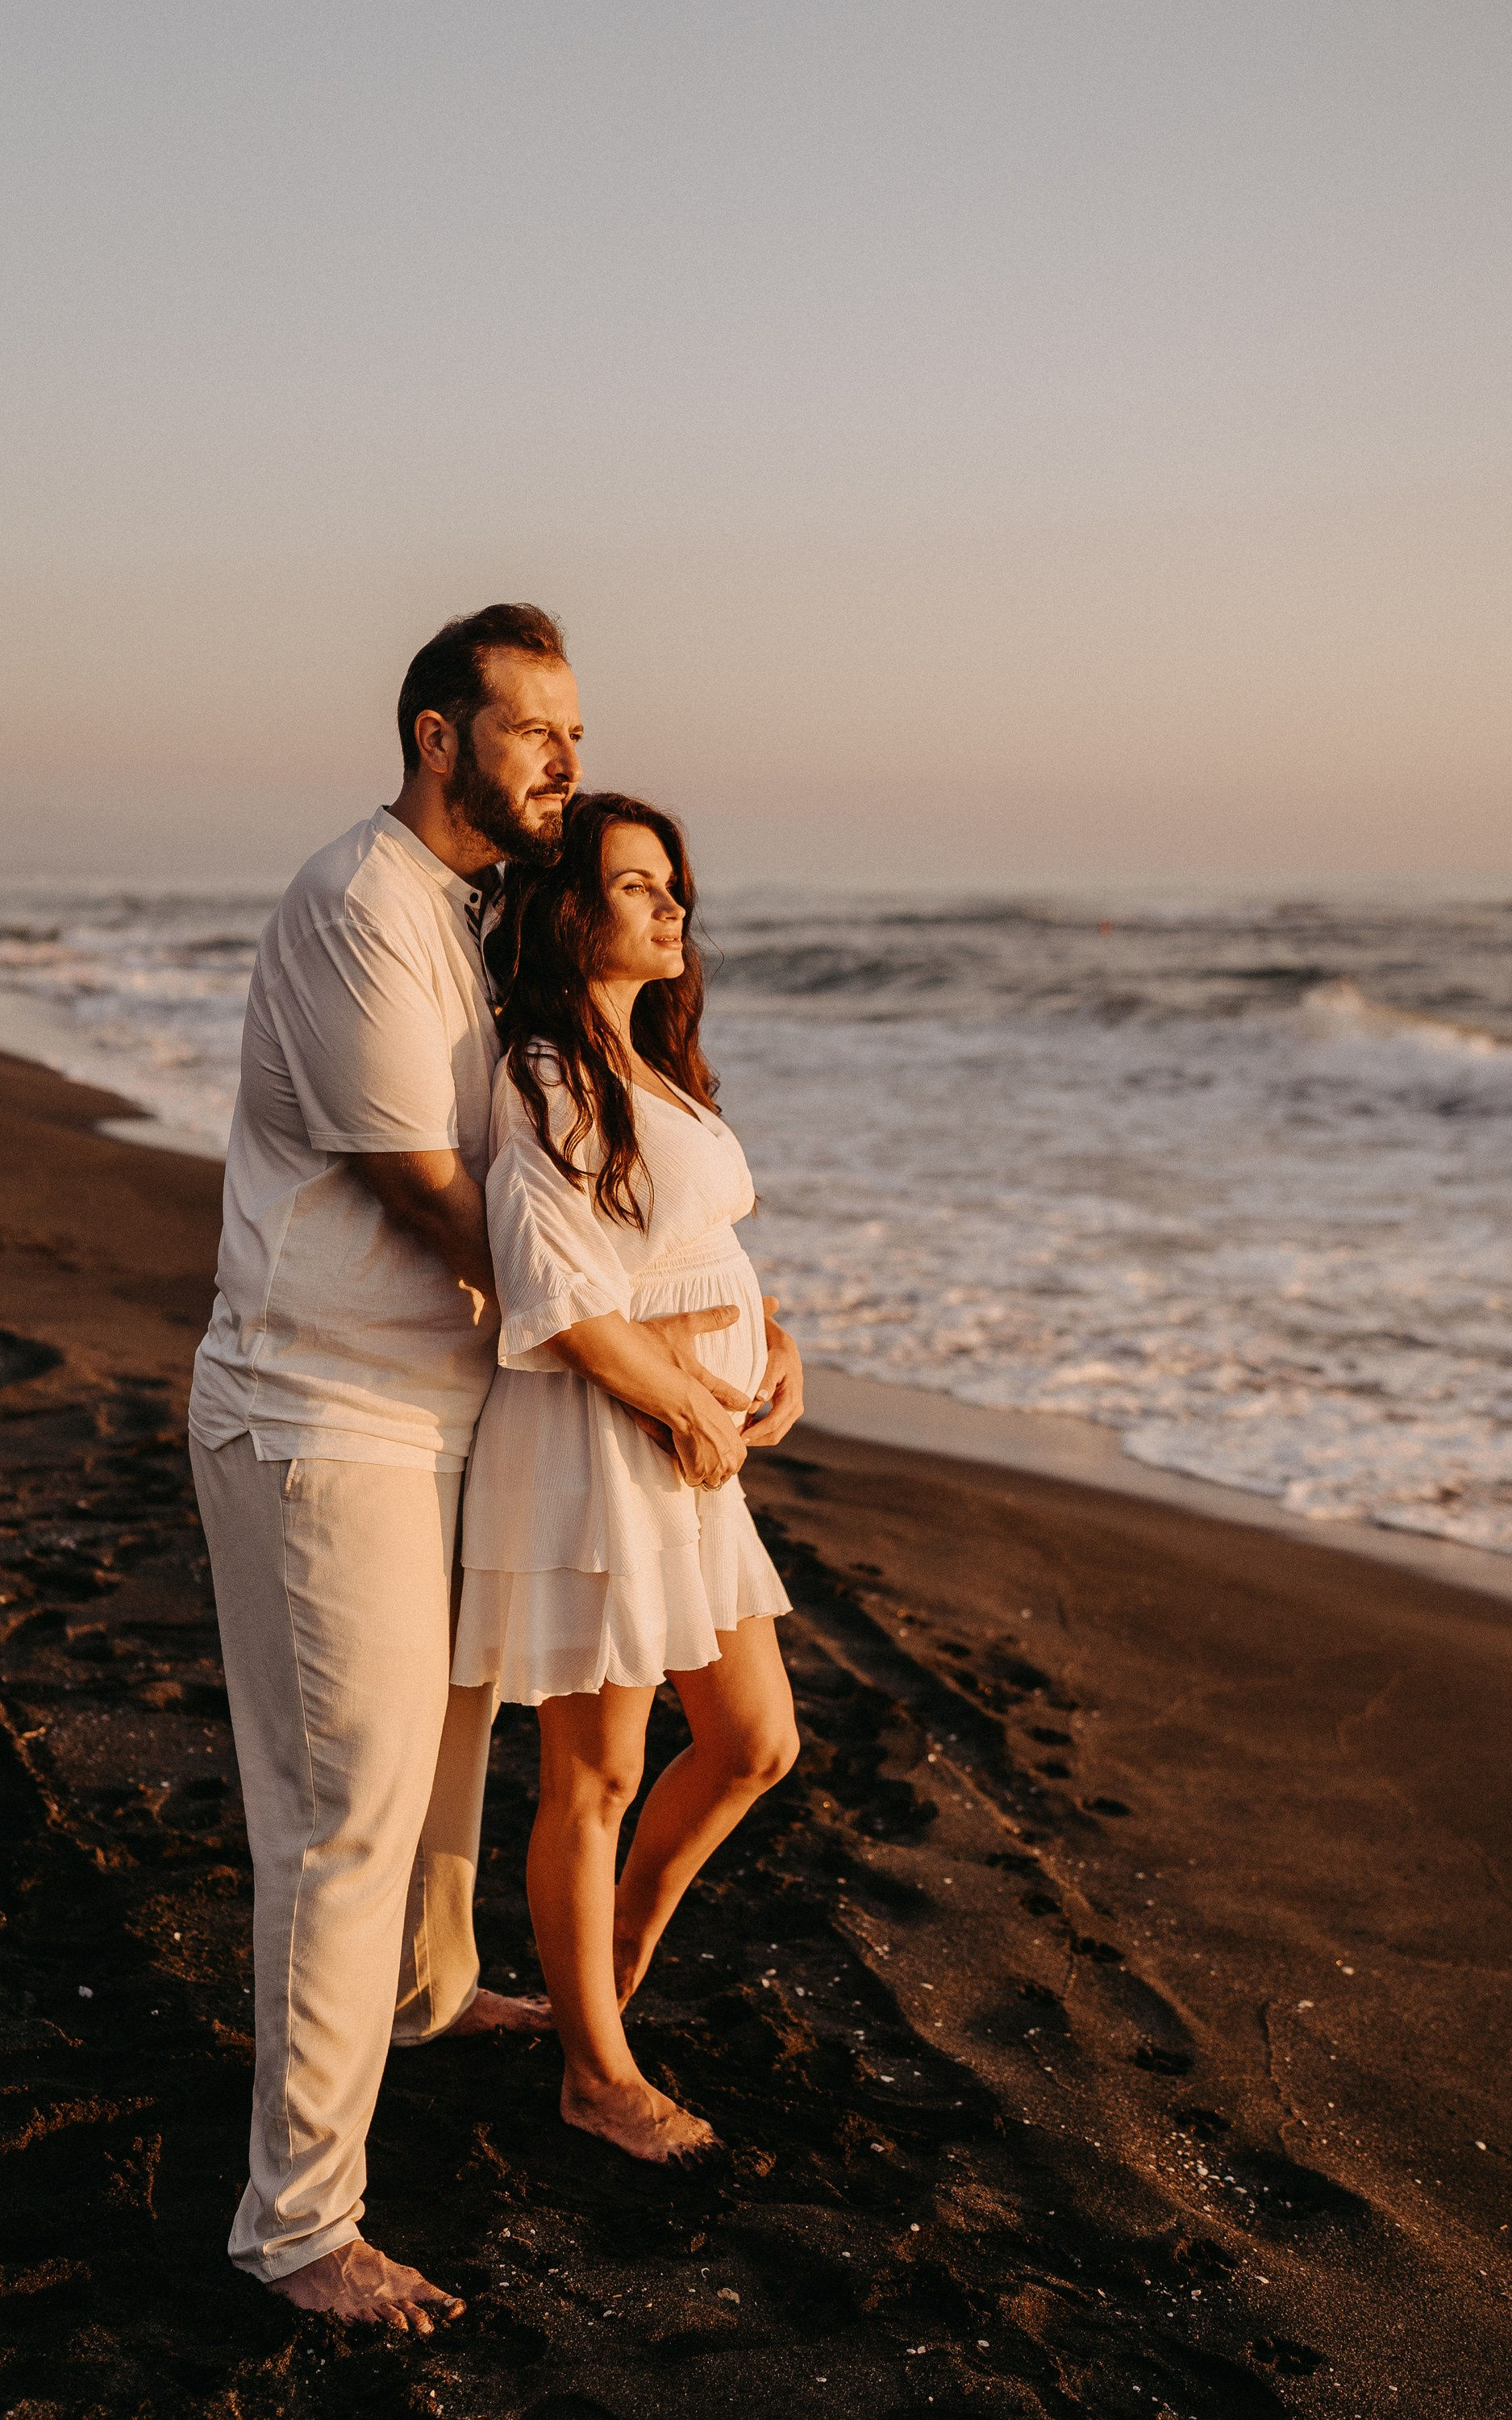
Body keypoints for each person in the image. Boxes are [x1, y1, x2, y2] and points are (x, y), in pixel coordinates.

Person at [188, 607, 805, 2328]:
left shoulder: (478, 921)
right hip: (326, 1411)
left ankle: (439, 1996)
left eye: (577, 735)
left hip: (457, 1411)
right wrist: (647, 1360)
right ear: (438, 735)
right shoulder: (360, 906)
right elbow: (442, 1193)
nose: (566, 760)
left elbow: (595, 1176)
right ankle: (299, 2224)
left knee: (450, 1768)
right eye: (533, 729)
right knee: (348, 1812)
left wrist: (733, 1337)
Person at [451, 792, 802, 2162]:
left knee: (752, 1743)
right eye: (637, 884)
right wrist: (693, 1412)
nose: (671, 907)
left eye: (674, 886)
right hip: (605, 1448)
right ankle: (595, 2070)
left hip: (687, 1445)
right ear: (567, 911)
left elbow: (686, 1254)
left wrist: (777, 1345)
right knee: (594, 1776)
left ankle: (606, 1972)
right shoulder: (540, 1070)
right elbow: (559, 1296)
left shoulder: (649, 1063)